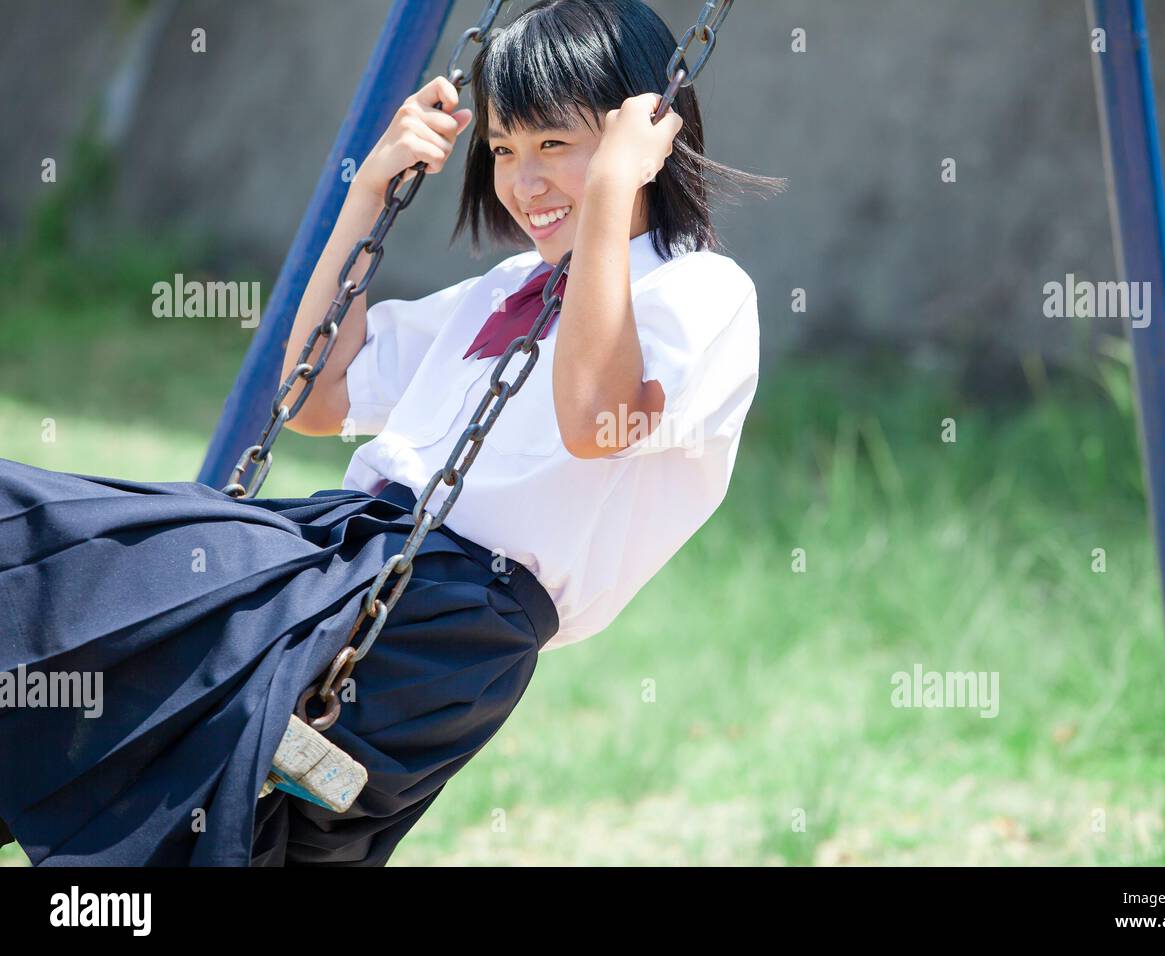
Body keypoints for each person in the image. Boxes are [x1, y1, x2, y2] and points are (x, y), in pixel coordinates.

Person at [0, 0, 784, 867]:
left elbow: (594, 421)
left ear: (650, 134)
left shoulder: (703, 293)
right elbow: (318, 397)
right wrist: (367, 191)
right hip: (339, 561)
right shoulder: (502, 292)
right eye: (503, 150)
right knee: (77, 596)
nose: (523, 184)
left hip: (441, 622)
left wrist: (608, 198)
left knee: (56, 557)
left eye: (553, 146)